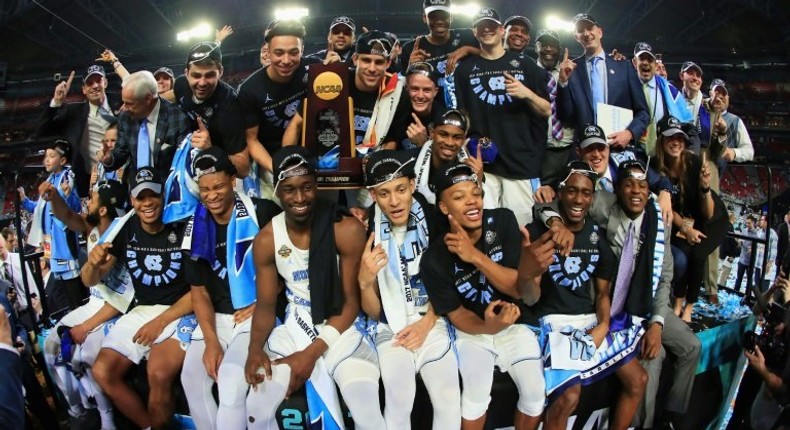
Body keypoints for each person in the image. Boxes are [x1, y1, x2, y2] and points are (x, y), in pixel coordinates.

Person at [244, 147, 385, 430]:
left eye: (307, 187)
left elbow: (350, 304)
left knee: (365, 408)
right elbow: (267, 306)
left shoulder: (345, 229)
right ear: (278, 190)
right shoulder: (267, 239)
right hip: (297, 321)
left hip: (342, 325)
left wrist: (309, 355)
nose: (299, 198)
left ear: (316, 185)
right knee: (257, 402)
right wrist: (254, 349)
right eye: (290, 189)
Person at [421, 162, 545, 430]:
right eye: (459, 197)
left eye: (475, 193)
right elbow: (457, 314)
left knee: (535, 393)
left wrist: (474, 256)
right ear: (443, 207)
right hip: (473, 332)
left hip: (514, 324)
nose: (471, 202)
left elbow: (517, 289)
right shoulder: (434, 257)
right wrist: (487, 326)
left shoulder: (502, 220)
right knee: (476, 395)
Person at [527, 161, 647, 430]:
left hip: (588, 319)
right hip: (552, 322)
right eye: (572, 191)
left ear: (593, 197)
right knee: (568, 396)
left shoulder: (595, 234)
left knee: (638, 379)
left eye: (585, 193)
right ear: (560, 192)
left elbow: (603, 291)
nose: (578, 199)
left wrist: (603, 324)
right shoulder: (540, 228)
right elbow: (528, 292)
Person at [85, 167, 196, 429]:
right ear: (132, 201)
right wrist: (91, 265)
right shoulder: (125, 226)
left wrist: (160, 322)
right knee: (102, 371)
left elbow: (200, 291)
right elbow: (90, 280)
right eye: (140, 197)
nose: (147, 203)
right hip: (142, 310)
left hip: (182, 309)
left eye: (153, 195)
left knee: (157, 373)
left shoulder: (183, 224)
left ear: (163, 195)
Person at [180, 147, 280, 430]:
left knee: (231, 380)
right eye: (205, 189)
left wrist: (264, 300)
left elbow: (288, 268)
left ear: (233, 181)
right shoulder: (194, 229)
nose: (211, 196)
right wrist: (211, 341)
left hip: (255, 313)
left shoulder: (262, 212)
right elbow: (198, 291)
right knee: (191, 379)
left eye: (219, 186)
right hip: (217, 317)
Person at [359, 150, 461, 429]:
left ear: (413, 185)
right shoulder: (365, 229)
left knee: (449, 396)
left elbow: (451, 284)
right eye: (384, 193)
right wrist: (364, 281)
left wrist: (426, 324)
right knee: (399, 396)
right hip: (388, 326)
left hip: (433, 317)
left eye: (401, 189)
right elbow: (373, 311)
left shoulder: (435, 219)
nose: (394, 201)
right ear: (372, 194)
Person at [40, 179, 132, 430]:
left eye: (91, 199)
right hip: (95, 302)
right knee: (50, 346)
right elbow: (67, 214)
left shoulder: (120, 238)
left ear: (103, 209)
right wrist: (53, 196)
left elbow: (119, 299)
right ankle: (78, 410)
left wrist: (85, 327)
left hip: (115, 309)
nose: (87, 202)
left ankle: (107, 418)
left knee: (87, 354)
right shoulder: (91, 229)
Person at [451, 7, 550, 226]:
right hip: (485, 164)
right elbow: (463, 114)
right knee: (486, 229)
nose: (487, 30)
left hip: (520, 163)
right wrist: (465, 144)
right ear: (475, 32)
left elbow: (547, 110)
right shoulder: (464, 70)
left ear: (501, 29)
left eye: (492, 26)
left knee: (521, 228)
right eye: (482, 27)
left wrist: (527, 93)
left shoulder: (525, 65)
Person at [652, 115, 727, 323]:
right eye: (670, 137)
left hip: (712, 219)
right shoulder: (656, 167)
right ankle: (677, 303)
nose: (676, 142)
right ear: (660, 140)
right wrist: (686, 230)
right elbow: (671, 210)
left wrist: (704, 187)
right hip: (688, 221)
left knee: (697, 255)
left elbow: (708, 213)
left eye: (680, 138)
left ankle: (689, 307)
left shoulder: (693, 162)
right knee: (683, 252)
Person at [237, 20, 316, 197]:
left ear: (302, 50)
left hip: (313, 158)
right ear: (268, 51)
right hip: (271, 161)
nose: (286, 60)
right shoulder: (250, 89)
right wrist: (278, 169)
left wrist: (335, 66)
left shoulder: (313, 69)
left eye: (293, 52)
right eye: (279, 53)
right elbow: (252, 140)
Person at [556, 14, 649, 151]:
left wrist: (629, 133)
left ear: (600, 32)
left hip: (619, 147)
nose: (586, 34)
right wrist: (563, 82)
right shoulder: (572, 69)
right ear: (577, 37)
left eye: (589, 28)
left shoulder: (624, 67)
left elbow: (643, 112)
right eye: (581, 30)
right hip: (587, 149)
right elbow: (566, 116)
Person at [35, 65, 119, 195]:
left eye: (98, 81)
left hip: (119, 178)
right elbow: (41, 131)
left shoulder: (121, 106)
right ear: (84, 89)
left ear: (105, 83)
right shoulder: (73, 113)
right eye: (90, 83)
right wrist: (56, 102)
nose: (95, 86)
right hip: (87, 184)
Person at [169, 41, 250, 176]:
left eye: (210, 75)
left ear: (220, 72)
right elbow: (167, 97)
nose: (202, 83)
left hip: (216, 169)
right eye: (196, 75)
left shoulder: (230, 106)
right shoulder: (181, 84)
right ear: (187, 73)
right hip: (184, 156)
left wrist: (210, 148)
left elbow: (243, 169)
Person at [19, 139, 81, 312]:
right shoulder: (49, 179)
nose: (46, 159)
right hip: (49, 240)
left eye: (51, 156)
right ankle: (68, 316)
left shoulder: (67, 177)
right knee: (59, 284)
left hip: (63, 239)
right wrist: (24, 200)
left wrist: (68, 196)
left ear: (62, 160)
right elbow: (39, 208)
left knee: (71, 282)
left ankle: (78, 314)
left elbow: (75, 208)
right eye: (46, 156)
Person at [100, 70, 192, 182]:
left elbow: (183, 164)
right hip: (136, 192)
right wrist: (109, 159)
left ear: (148, 99)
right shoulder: (125, 117)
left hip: (167, 191)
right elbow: (121, 151)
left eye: (130, 103)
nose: (123, 108)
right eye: (123, 102)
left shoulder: (178, 118)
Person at [631, 42, 693, 157]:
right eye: (642, 59)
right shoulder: (626, 85)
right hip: (633, 152)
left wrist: (691, 152)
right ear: (634, 62)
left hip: (662, 154)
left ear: (655, 65)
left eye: (649, 60)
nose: (645, 63)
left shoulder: (669, 90)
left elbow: (688, 127)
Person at [533, 28, 576, 190]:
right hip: (539, 150)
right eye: (544, 44)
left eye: (553, 45)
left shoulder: (572, 73)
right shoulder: (527, 72)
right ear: (536, 47)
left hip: (568, 149)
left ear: (560, 49)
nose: (549, 49)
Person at [412, 109, 482, 206]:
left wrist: (478, 181)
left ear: (463, 140)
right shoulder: (410, 163)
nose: (449, 143)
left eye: (457, 137)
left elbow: (477, 207)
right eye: (443, 134)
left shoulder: (472, 169)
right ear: (432, 133)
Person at [399, 0, 479, 76]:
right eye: (433, 16)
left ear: (451, 17)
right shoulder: (410, 49)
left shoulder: (468, 36)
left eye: (444, 15)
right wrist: (410, 70)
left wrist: (468, 49)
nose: (439, 21)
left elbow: (490, 57)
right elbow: (405, 86)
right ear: (424, 18)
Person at [383, 61, 445, 150]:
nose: (420, 96)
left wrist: (423, 144)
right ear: (407, 89)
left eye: (427, 90)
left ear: (435, 92)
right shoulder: (397, 115)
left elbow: (445, 162)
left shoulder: (443, 119)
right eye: (415, 89)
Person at [0, 310, 24, 429]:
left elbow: (18, 326)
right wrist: (4, 347)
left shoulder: (2, 300)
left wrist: (20, 340)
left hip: (19, 362)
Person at [735, 215, 759, 295]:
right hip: (742, 259)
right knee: (738, 279)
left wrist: (753, 249)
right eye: (746, 223)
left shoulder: (756, 234)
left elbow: (758, 247)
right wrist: (739, 241)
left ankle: (747, 296)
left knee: (749, 281)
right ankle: (735, 294)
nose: (747, 225)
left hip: (750, 262)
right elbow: (740, 240)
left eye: (749, 223)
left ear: (753, 223)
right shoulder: (744, 230)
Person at [755, 214, 779, 292]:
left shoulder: (773, 234)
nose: (760, 221)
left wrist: (769, 264)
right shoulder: (759, 232)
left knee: (764, 287)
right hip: (757, 263)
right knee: (756, 285)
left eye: (762, 220)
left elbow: (774, 251)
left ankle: (762, 303)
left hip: (766, 265)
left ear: (766, 222)